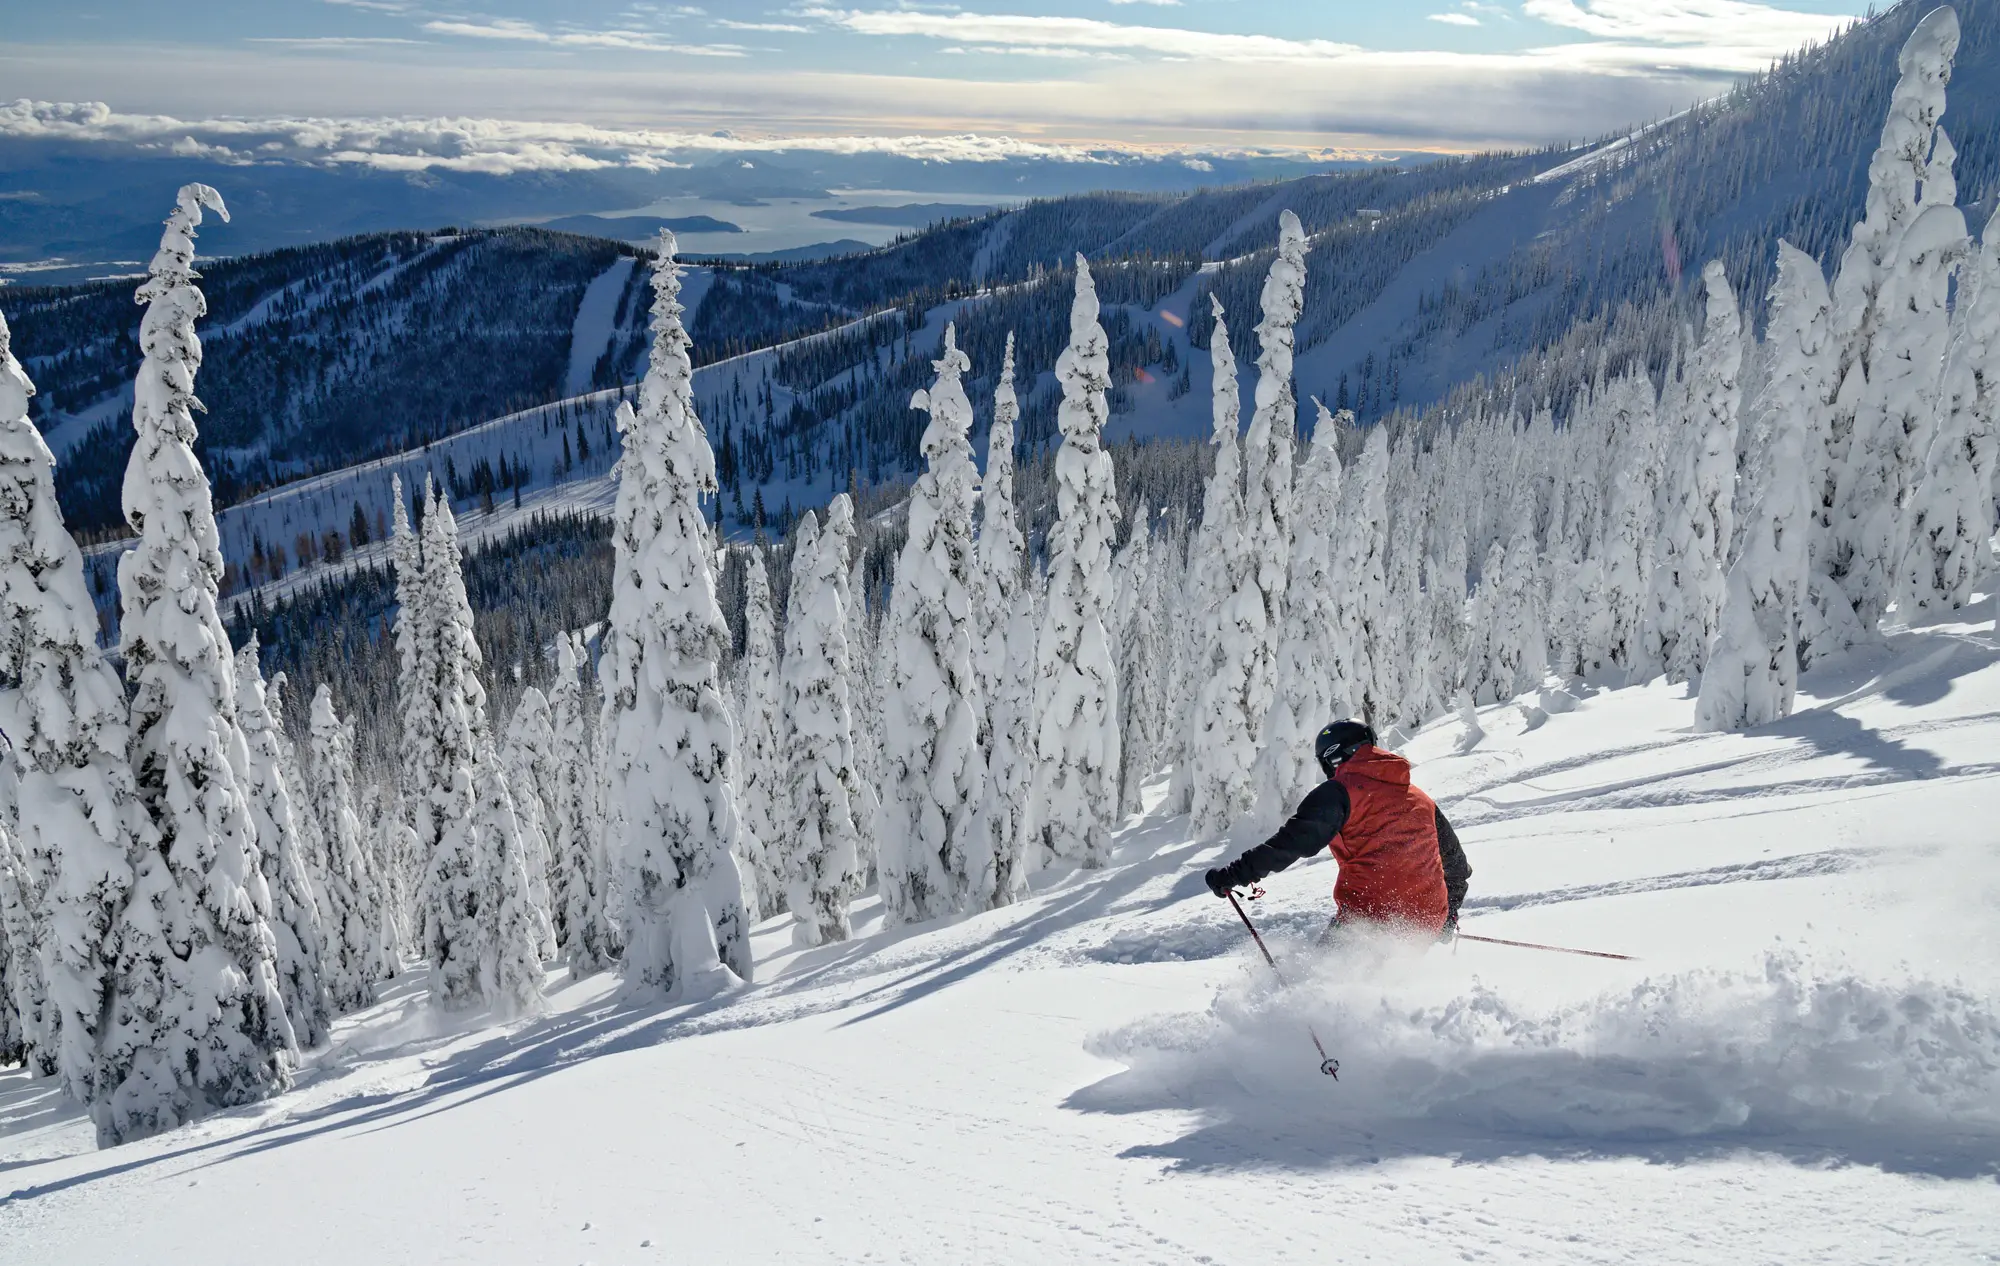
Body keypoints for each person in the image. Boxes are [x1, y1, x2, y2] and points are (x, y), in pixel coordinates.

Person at [1204, 720, 1470, 941]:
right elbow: (1457, 864)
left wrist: (1233, 874)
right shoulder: (1420, 797)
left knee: (1319, 989)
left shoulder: (1340, 792)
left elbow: (1290, 844)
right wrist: (1447, 916)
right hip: (1426, 921)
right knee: (1389, 991)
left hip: (1369, 920)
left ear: (1333, 758)